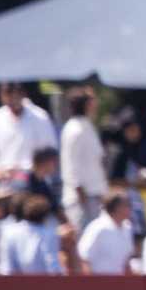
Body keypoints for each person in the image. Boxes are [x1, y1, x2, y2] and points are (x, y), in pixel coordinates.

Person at [55, 89, 108, 231]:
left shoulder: (87, 126)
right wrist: (80, 193)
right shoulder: (74, 129)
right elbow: (71, 165)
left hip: (94, 195)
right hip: (81, 198)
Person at [0, 82, 56, 180]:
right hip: (6, 181)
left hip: (36, 181)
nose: (11, 98)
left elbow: (50, 150)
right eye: (7, 93)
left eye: (14, 93)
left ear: (22, 94)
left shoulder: (40, 117)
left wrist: (35, 168)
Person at [0, 193, 63, 274]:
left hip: (17, 284)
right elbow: (53, 267)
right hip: (42, 284)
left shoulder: (9, 232)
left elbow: (7, 269)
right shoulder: (49, 234)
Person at [77, 192, 137, 275]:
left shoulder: (127, 227)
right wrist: (90, 285)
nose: (130, 208)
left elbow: (126, 262)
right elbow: (84, 259)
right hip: (98, 283)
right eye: (127, 205)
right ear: (116, 208)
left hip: (119, 284)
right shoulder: (97, 227)